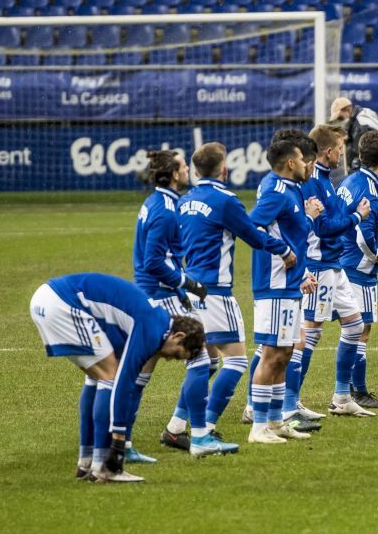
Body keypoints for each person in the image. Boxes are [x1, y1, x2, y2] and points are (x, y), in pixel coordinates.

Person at [29, 273, 205, 482]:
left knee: (96, 379)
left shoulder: (155, 320)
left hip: (47, 299)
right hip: (62, 303)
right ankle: (105, 468)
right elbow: (124, 382)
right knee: (109, 378)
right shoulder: (152, 329)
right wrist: (119, 441)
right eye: (176, 354)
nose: (168, 359)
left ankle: (87, 463)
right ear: (178, 336)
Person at [177, 142, 296, 438]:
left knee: (204, 361)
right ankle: (206, 426)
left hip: (188, 287)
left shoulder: (184, 200)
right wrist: (283, 250)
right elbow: (253, 235)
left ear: (194, 171)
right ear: (224, 169)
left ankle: (177, 425)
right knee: (236, 361)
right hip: (214, 291)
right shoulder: (226, 200)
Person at [133, 150, 236, 458]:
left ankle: (122, 438)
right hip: (159, 295)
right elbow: (153, 261)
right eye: (181, 166)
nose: (187, 170)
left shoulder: (157, 202)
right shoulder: (165, 209)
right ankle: (200, 436)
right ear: (175, 174)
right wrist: (185, 284)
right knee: (202, 361)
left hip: (157, 294)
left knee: (141, 374)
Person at [295, 125, 377, 422]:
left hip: (335, 266)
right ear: (328, 151)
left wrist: (350, 210)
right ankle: (292, 402)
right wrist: (357, 216)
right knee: (310, 334)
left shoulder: (327, 180)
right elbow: (323, 227)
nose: (344, 152)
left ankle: (342, 398)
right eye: (341, 147)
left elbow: (335, 216)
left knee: (355, 326)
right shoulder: (313, 182)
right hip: (319, 267)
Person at [247, 132, 324, 443]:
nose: (308, 164)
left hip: (291, 285)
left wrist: (301, 270)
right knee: (271, 355)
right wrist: (280, 251)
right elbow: (252, 225)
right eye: (304, 159)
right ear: (291, 162)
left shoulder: (292, 190)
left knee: (286, 353)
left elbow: (293, 234)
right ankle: (258, 426)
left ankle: (277, 421)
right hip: (274, 286)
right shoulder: (277, 191)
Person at [334, 130, 378, 414]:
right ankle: (355, 391)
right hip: (358, 267)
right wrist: (376, 254)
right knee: (361, 330)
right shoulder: (370, 191)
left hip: (342, 260)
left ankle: (349, 390)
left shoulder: (350, 180)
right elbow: (363, 234)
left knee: (353, 329)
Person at [330, 96, 378, 271]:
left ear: (346, 110)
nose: (341, 122)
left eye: (340, 117)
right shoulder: (366, 114)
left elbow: (368, 149)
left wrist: (357, 169)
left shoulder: (360, 123)